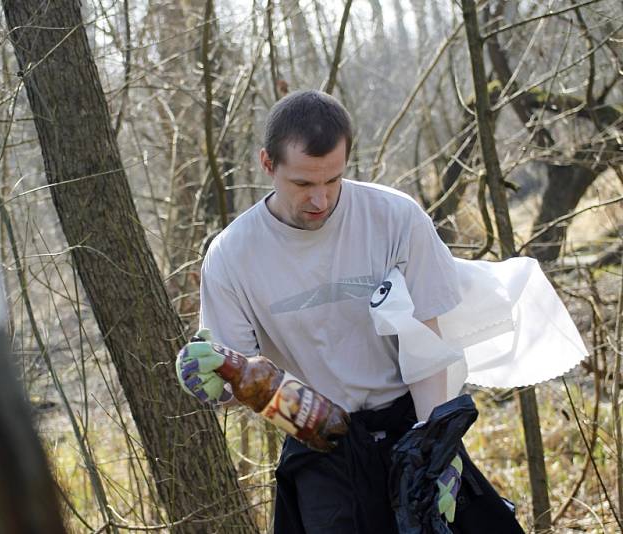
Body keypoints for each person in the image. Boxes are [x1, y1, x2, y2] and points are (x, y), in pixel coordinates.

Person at [176, 90, 523, 533]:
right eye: (303, 184)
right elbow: (239, 381)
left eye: (333, 180)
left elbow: (427, 343)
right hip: (318, 441)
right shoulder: (231, 256)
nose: (320, 199)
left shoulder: (395, 218)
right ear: (267, 164)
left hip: (409, 425)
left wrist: (436, 451)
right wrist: (210, 380)